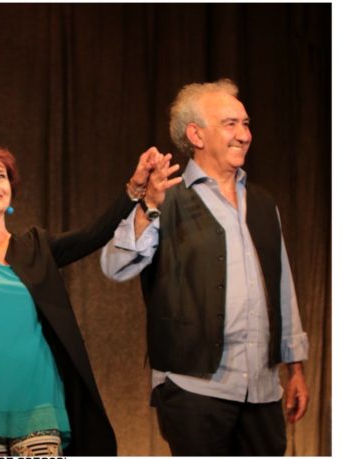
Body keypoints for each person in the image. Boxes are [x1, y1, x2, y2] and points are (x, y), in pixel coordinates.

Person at [0, 112, 160, 456]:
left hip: (38, 404)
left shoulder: (36, 247)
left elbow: (94, 234)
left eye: (0, 176)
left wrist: (134, 190)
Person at [100, 79, 309, 455]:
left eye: (246, 124)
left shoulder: (263, 203)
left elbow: (283, 288)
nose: (244, 135)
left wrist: (295, 367)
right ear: (196, 134)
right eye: (230, 124)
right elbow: (115, 266)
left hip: (262, 391)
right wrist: (149, 208)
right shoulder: (166, 197)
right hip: (195, 389)